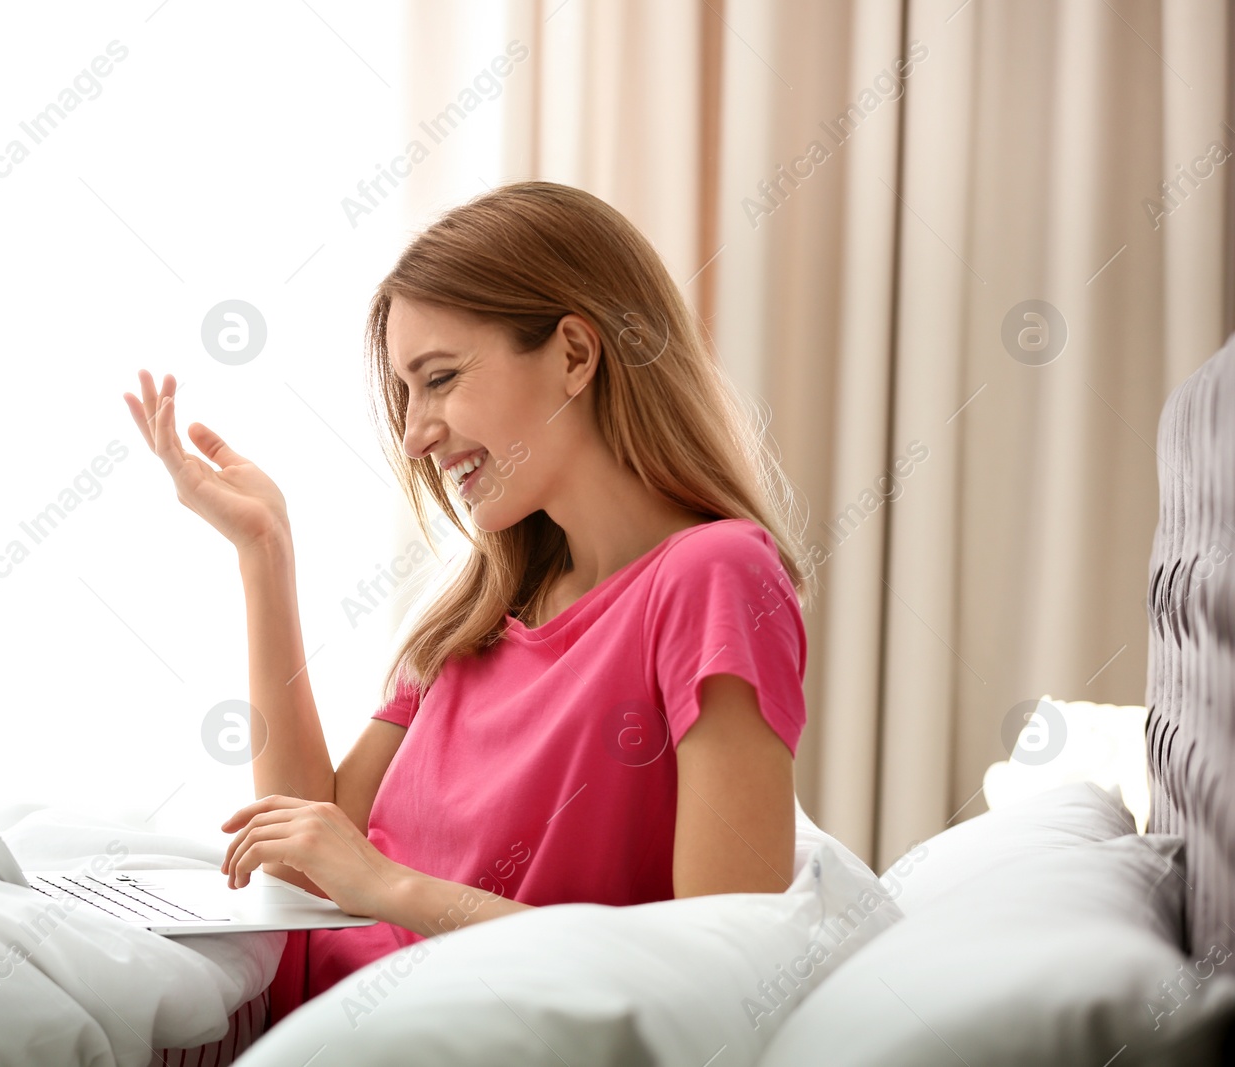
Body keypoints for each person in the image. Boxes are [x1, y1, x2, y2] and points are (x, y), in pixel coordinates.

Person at [122, 179, 810, 1028]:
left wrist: (390, 888)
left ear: (573, 354)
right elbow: (307, 856)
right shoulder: (483, 605)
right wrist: (266, 552)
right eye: (407, 393)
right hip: (279, 1000)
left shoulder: (715, 576)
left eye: (439, 378)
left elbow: (724, 966)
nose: (414, 434)